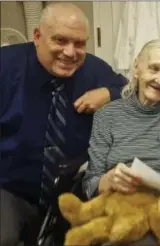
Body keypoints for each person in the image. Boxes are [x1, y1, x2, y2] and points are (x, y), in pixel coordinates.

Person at [0, 3, 126, 246]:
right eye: (60, 40)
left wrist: (109, 93)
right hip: (10, 187)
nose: (70, 52)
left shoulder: (94, 69)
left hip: (73, 189)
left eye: (79, 43)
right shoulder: (6, 66)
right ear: (37, 36)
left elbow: (133, 90)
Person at [83, 39, 160, 246]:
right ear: (136, 68)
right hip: (118, 207)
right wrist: (107, 180)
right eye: (154, 68)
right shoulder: (107, 116)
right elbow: (90, 184)